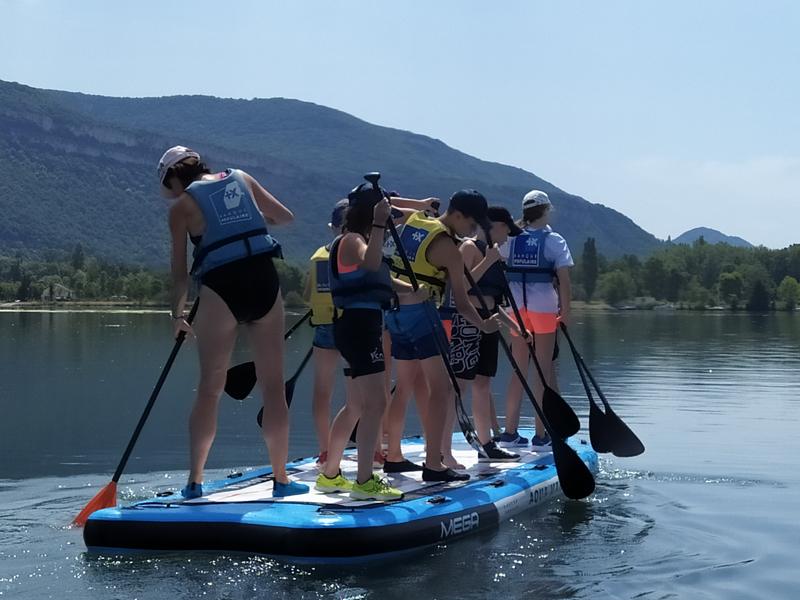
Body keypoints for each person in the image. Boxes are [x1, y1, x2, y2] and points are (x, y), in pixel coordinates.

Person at [159, 145, 308, 499]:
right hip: (264, 284)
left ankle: (194, 483)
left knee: (210, 390)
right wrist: (250, 218)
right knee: (273, 388)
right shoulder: (242, 178)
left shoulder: (180, 208)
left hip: (222, 290)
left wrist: (177, 315)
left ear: (174, 180)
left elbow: (180, 275)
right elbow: (284, 217)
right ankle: (281, 479)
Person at [315, 182, 425, 500]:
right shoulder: (350, 241)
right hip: (359, 328)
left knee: (358, 405)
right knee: (376, 403)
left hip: (357, 326)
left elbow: (380, 278)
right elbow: (373, 263)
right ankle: (365, 481)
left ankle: (331, 474)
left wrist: (413, 290)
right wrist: (380, 224)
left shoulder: (358, 241)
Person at [385, 190, 502, 482]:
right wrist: (485, 325)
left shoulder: (415, 220)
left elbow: (385, 204)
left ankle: (394, 456)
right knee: (443, 390)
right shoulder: (449, 247)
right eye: (473, 225)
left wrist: (419, 203)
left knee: (404, 387)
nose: (473, 231)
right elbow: (461, 302)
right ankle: (434, 464)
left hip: (394, 313)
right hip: (423, 315)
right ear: (459, 215)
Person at [497, 190, 573, 451]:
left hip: (516, 312)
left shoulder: (509, 239)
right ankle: (542, 434)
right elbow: (563, 279)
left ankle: (509, 432)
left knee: (518, 369)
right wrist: (568, 310)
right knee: (542, 369)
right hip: (543, 310)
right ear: (546, 210)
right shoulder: (554, 240)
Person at [447, 206, 523, 462]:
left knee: (483, 384)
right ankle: (441, 449)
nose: (507, 236)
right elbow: (461, 286)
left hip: (489, 323)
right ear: (493, 226)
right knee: (460, 385)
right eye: (505, 230)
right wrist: (488, 261)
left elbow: (493, 299)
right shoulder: (469, 248)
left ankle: (487, 443)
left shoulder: (496, 254)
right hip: (467, 322)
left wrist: (514, 325)